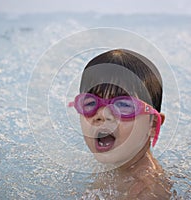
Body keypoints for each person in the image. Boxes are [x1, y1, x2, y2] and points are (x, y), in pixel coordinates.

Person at [69, 49, 172, 199]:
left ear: (152, 124)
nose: (102, 115)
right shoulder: (118, 166)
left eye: (123, 105)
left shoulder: (146, 191)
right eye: (91, 103)